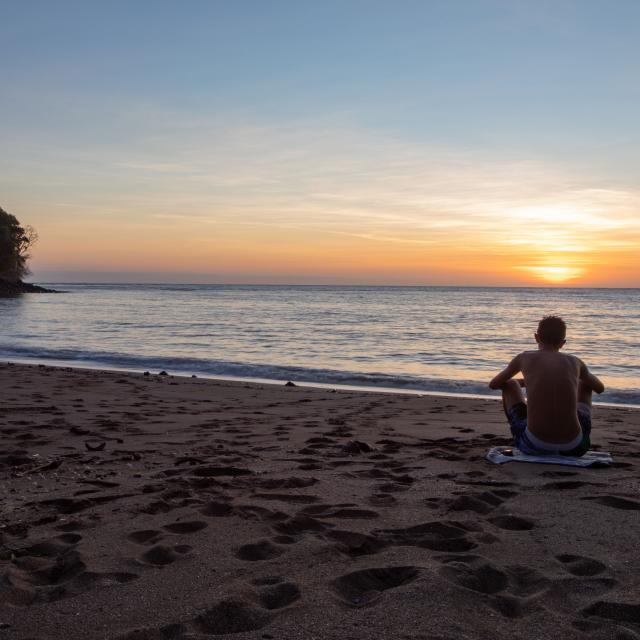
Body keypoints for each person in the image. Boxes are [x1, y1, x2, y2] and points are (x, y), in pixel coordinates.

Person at [489, 315, 604, 456]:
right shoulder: (575, 362)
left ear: (536, 337)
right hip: (575, 447)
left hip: (534, 445)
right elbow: (600, 388)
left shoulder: (524, 358)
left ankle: (523, 433)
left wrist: (525, 382)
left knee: (510, 384)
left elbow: (495, 384)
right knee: (585, 383)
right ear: (563, 343)